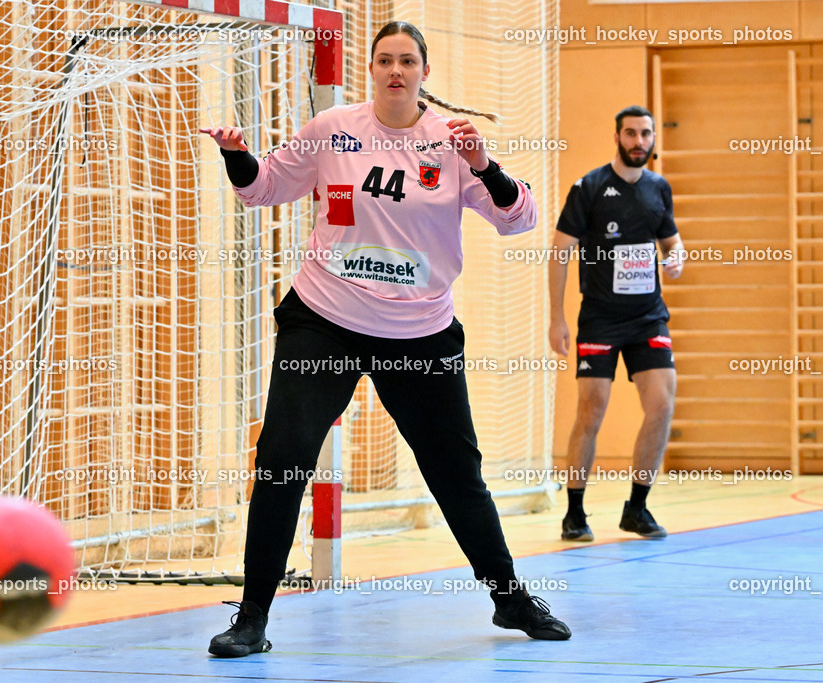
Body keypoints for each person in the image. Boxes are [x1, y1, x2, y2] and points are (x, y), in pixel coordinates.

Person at [197, 21, 571, 658]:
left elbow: (520, 219)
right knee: (283, 458)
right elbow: (263, 189)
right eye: (385, 60)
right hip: (325, 319)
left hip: (419, 333)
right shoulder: (333, 129)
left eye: (407, 61)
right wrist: (237, 153)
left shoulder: (451, 143)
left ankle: (509, 598)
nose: (396, 70)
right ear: (370, 69)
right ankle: (252, 617)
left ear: (424, 71)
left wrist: (484, 166)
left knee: (455, 472)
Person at [548, 105, 685, 543]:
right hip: (600, 320)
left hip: (648, 318)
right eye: (631, 133)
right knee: (592, 409)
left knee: (662, 405)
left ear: (652, 138)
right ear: (617, 137)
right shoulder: (588, 187)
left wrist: (677, 258)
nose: (639, 141)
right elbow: (559, 252)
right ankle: (574, 512)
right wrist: (557, 318)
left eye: (645, 134)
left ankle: (637, 508)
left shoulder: (658, 188)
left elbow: (672, 242)